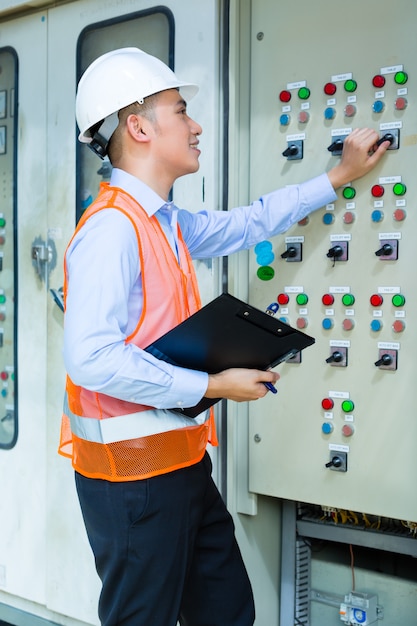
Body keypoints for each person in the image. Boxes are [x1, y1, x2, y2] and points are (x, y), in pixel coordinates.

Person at [59, 47, 388, 626]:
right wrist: (213, 383)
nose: (196, 125)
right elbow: (90, 359)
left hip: (182, 466)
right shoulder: (112, 229)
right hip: (131, 482)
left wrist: (337, 177)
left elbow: (245, 224)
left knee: (227, 612)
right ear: (139, 127)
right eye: (181, 111)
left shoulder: (162, 220)